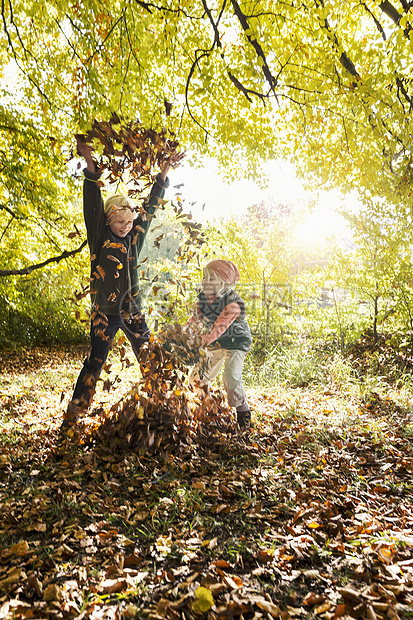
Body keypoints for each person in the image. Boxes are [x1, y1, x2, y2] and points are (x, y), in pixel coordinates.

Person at [62, 137, 173, 429]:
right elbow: (93, 206)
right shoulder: (100, 237)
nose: (125, 228)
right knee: (95, 361)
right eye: (120, 223)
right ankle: (76, 410)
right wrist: (90, 167)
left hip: (132, 309)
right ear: (109, 221)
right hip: (103, 312)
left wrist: (161, 176)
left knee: (149, 353)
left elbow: (148, 210)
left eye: (128, 222)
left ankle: (162, 401)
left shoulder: (134, 239)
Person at [187, 259, 252, 429]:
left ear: (224, 282)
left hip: (236, 342)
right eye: (204, 277)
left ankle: (243, 413)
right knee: (197, 377)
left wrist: (199, 341)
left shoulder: (233, 304)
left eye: (211, 278)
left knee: (231, 376)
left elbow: (217, 329)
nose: (205, 281)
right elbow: (194, 320)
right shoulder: (202, 299)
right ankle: (206, 406)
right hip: (216, 342)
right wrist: (183, 334)